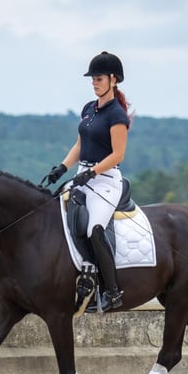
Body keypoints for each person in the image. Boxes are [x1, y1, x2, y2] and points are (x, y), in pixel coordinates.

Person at [46, 51, 132, 311]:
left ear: (113, 80)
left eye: (99, 78)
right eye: (92, 79)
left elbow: (118, 154)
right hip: (83, 177)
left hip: (105, 181)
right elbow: (80, 144)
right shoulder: (89, 109)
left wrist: (93, 172)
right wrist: (62, 168)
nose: (94, 83)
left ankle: (113, 291)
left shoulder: (117, 114)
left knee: (94, 228)